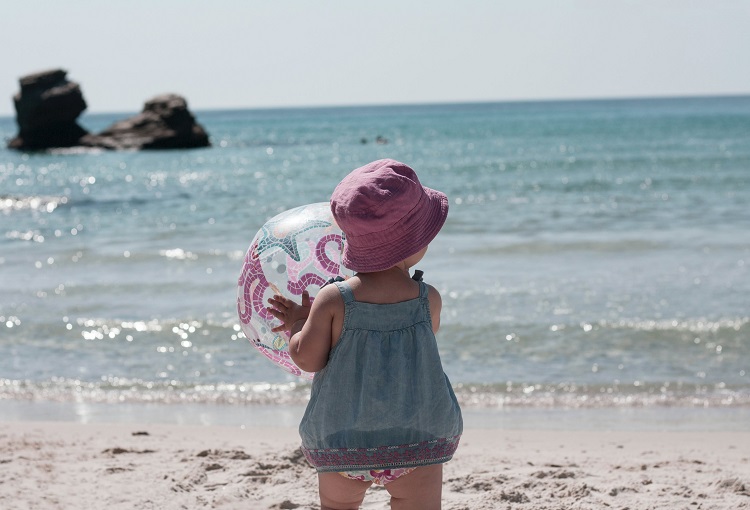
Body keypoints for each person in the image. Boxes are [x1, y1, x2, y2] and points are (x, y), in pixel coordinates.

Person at [267, 159, 463, 510]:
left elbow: (308, 358)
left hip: (344, 442)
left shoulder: (334, 299)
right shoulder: (427, 299)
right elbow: (419, 349)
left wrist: (300, 322)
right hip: (417, 440)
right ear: (413, 244)